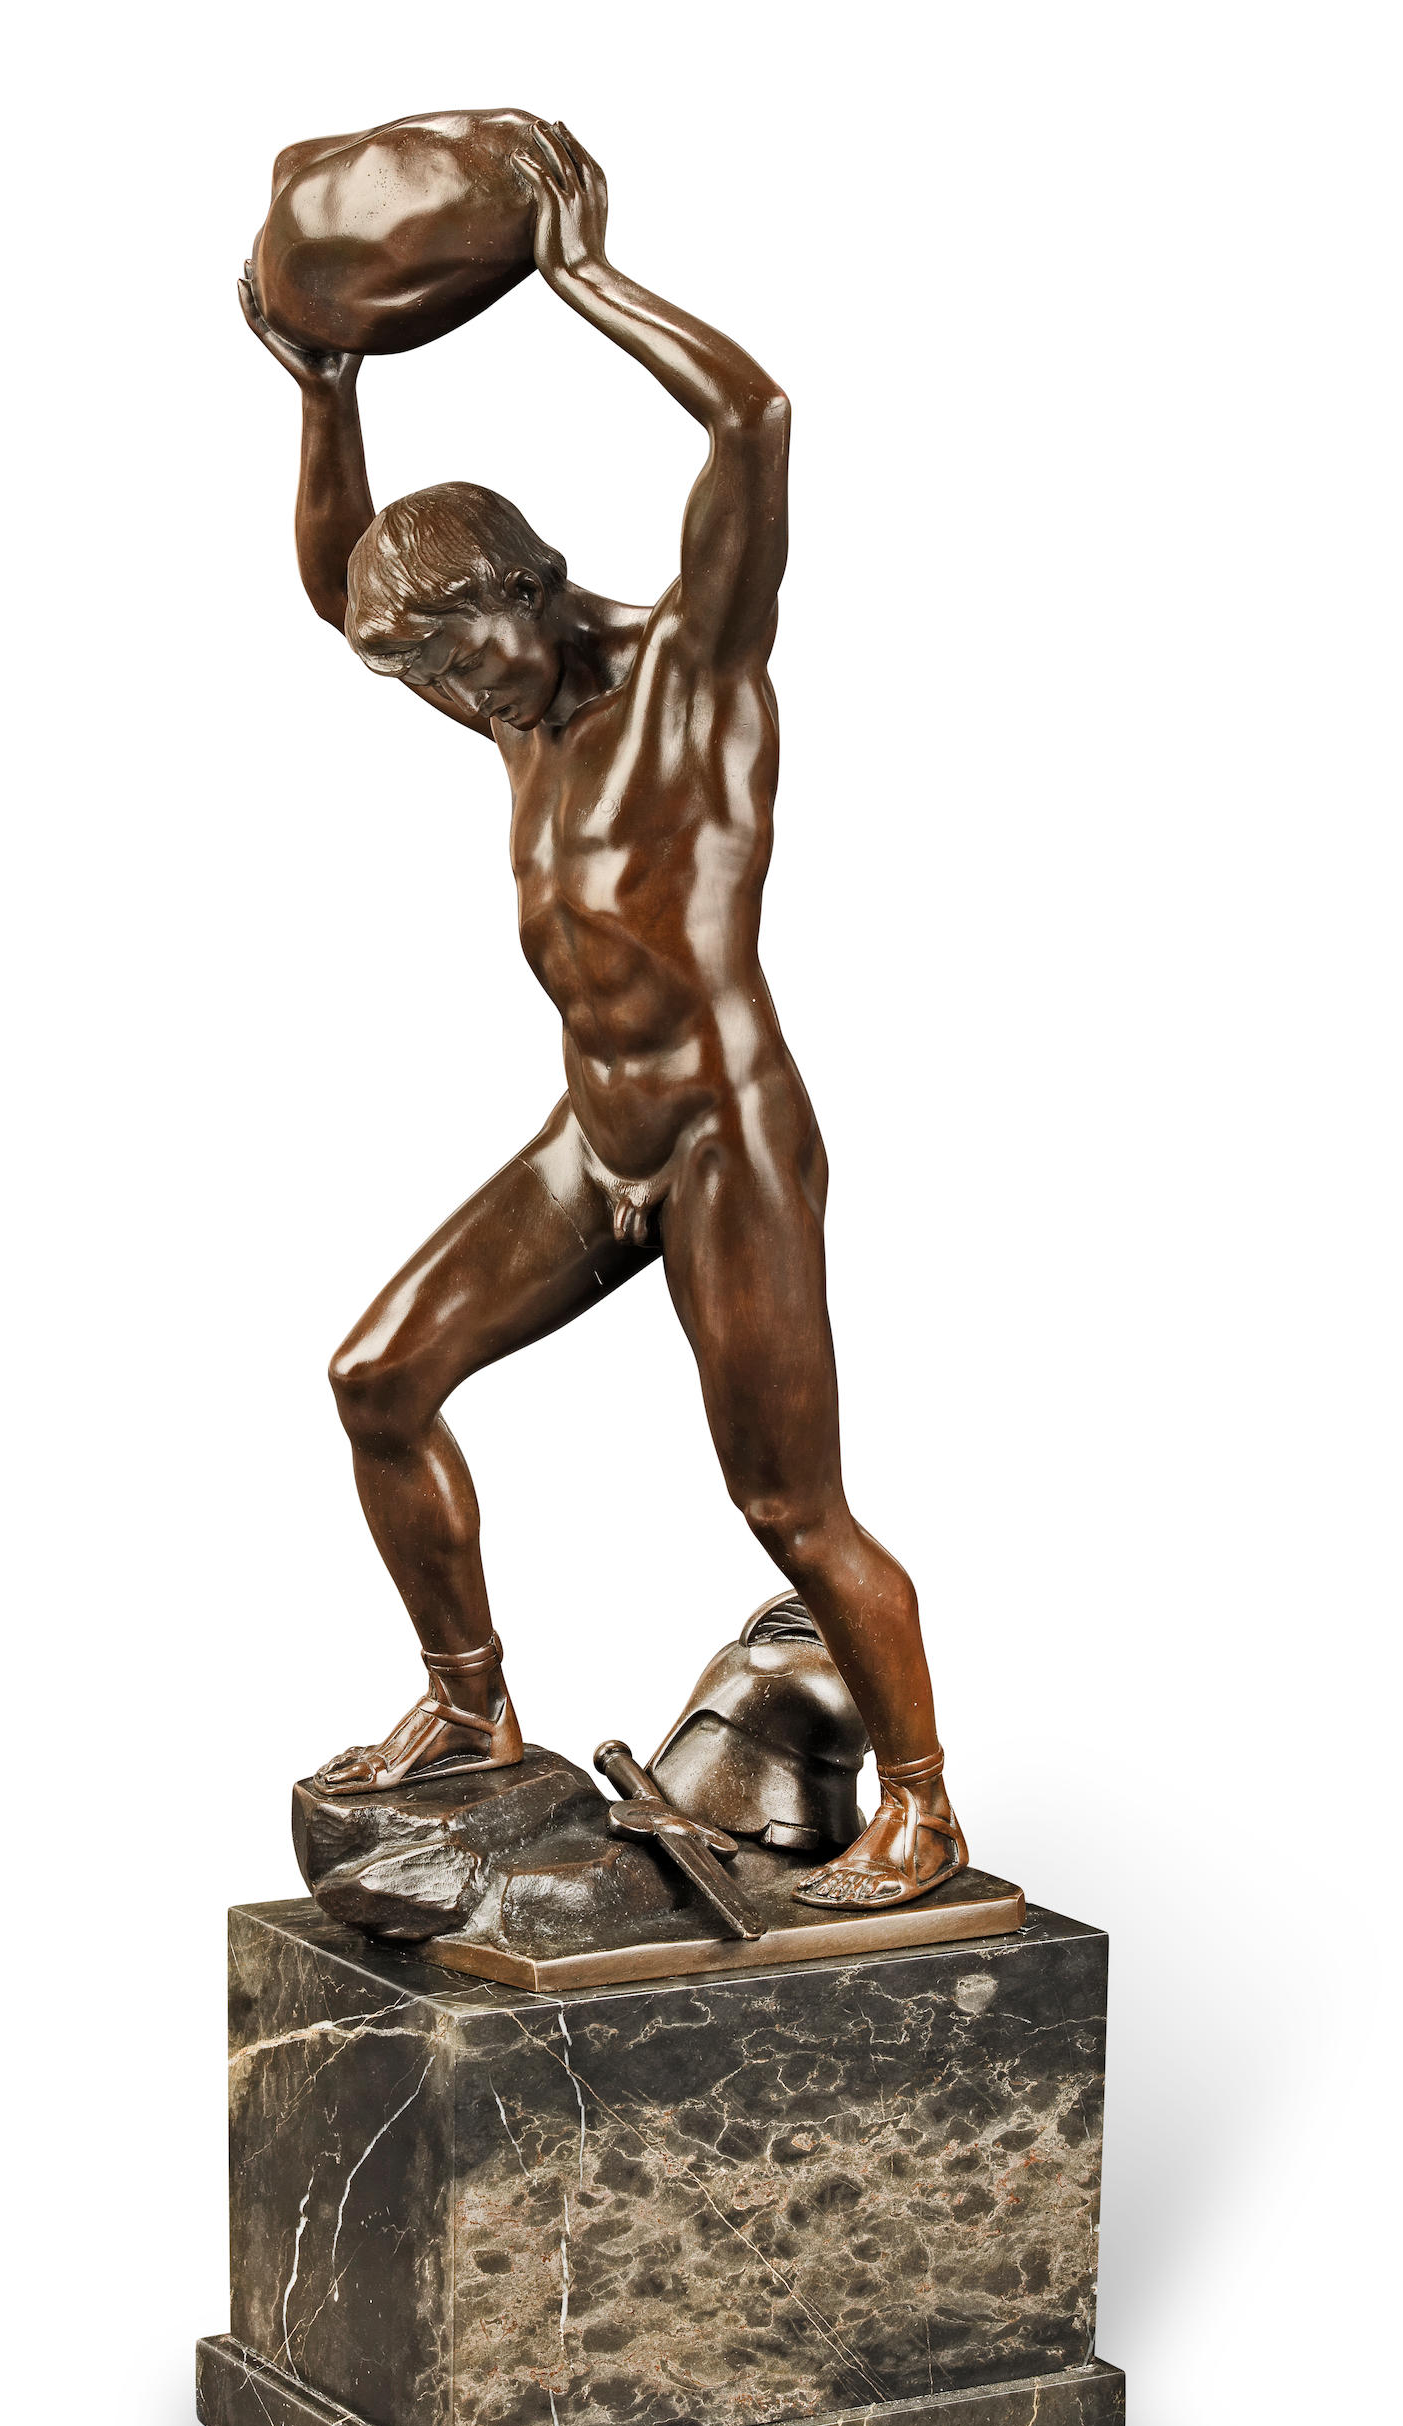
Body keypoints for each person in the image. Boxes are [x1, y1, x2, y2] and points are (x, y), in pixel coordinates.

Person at [239, 120, 965, 1907]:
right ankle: (470, 1704)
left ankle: (923, 1806)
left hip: (723, 1138)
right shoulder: (516, 709)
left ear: (524, 585)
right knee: (377, 1379)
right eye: (421, 673)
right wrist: (325, 392)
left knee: (788, 1507)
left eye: (454, 652)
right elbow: (338, 586)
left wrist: (579, 279)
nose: (447, 692)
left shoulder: (689, 673)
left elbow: (754, 422)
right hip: (596, 1141)